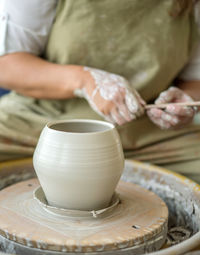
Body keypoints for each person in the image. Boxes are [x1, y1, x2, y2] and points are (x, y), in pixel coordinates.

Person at [0, 0, 200, 182]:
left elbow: (194, 80)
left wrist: (186, 101)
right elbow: (7, 67)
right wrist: (85, 80)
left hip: (148, 132)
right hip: (41, 120)